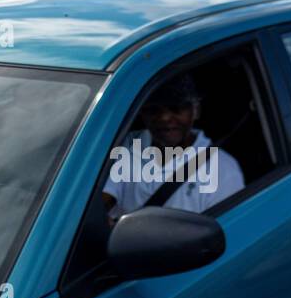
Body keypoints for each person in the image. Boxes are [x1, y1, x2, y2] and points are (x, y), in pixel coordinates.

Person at [103, 74, 245, 221]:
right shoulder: (129, 144)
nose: (164, 118)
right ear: (142, 114)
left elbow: (223, 232)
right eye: (153, 110)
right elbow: (102, 198)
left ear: (195, 111)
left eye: (176, 108)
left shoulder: (223, 170)